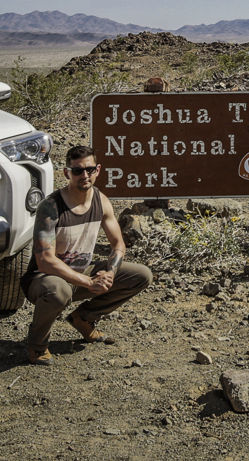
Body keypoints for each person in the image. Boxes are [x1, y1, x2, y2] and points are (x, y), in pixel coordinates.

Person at [22, 145, 153, 365]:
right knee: (59, 291)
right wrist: (88, 281)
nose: (85, 175)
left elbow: (118, 244)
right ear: (66, 173)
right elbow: (45, 261)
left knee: (141, 275)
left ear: (98, 170)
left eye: (90, 170)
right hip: (45, 279)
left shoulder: (101, 200)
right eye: (77, 171)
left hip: (83, 272)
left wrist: (109, 274)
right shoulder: (51, 207)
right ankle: (37, 346)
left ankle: (83, 318)